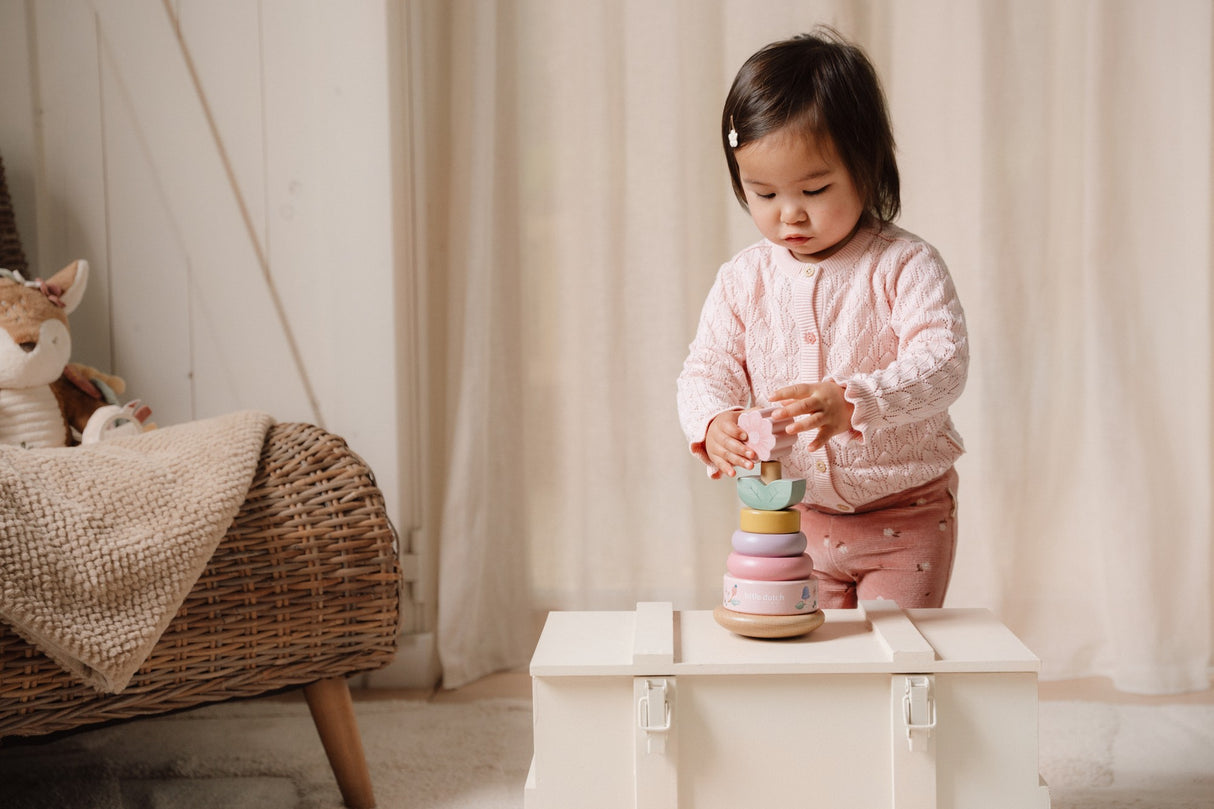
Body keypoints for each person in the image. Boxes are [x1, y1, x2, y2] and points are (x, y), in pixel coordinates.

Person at [677, 29, 968, 609]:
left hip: (903, 515)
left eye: (814, 188)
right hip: (793, 517)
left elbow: (944, 363)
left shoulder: (903, 264)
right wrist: (714, 422)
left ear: (866, 165)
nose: (789, 214)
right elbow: (706, 367)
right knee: (815, 668)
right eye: (761, 194)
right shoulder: (743, 279)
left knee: (893, 661)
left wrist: (856, 401)